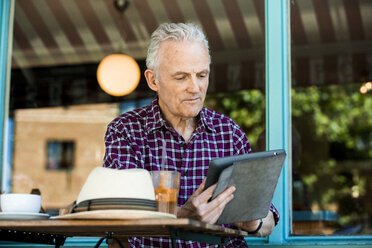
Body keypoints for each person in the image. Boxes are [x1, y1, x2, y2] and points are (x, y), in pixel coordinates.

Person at [103, 23, 279, 247]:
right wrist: (181, 217)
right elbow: (119, 211)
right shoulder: (126, 131)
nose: (195, 88)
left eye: (202, 75)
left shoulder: (229, 133)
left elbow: (269, 220)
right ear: (153, 80)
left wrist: (251, 221)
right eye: (181, 77)